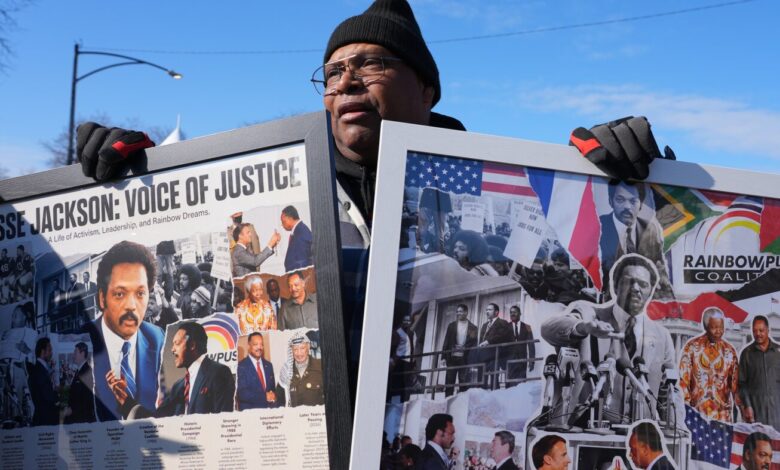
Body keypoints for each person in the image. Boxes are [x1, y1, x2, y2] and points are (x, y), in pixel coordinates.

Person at [75, 0, 666, 401]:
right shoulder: (282, 191)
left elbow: (598, 276)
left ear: (427, 88)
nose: (346, 82)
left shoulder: (499, 194)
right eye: (332, 73)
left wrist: (627, 180)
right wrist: (139, 182)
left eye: (371, 64)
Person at [541, 254, 679, 424]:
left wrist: (674, 432)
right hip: (585, 434)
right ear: (615, 285)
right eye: (629, 281)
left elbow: (670, 392)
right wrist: (585, 327)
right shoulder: (589, 314)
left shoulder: (662, 336)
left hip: (639, 439)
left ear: (650, 290)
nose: (636, 288)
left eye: (643, 284)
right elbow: (548, 329)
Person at [82, 240, 164, 421]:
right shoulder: (79, 343)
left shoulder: (157, 339)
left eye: (140, 293)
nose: (131, 306)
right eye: (120, 294)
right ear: (102, 298)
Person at [109, 321, 235, 417]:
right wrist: (125, 400)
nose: (172, 349)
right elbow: (156, 420)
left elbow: (223, 421)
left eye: (177, 343)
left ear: (192, 345)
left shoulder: (219, 373)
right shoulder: (179, 386)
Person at [599, 181, 664, 296]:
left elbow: (659, 269)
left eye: (633, 201)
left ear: (641, 204)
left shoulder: (650, 230)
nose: (627, 206)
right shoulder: (597, 227)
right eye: (620, 200)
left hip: (641, 298)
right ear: (611, 201)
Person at [679, 307, 741, 421]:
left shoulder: (730, 351)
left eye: (721, 327)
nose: (719, 331)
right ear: (706, 327)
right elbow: (683, 380)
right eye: (714, 327)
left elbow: (735, 386)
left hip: (722, 416)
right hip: (697, 414)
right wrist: (687, 406)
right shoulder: (691, 347)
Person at [738, 315, 780, 429]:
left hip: (777, 414)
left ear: (768, 330)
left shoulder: (778, 352)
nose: (758, 334)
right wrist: (747, 406)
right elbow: (741, 384)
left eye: (761, 330)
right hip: (756, 414)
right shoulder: (746, 354)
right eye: (755, 331)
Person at [471, 303, 513, 388]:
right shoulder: (484, 325)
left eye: (490, 310)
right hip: (483, 357)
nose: (487, 311)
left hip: (495, 356)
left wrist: (488, 341)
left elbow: (502, 336)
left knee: (494, 380)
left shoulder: (502, 323)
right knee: (481, 380)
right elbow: (481, 340)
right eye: (486, 310)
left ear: (496, 312)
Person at [441, 303, 478, 396]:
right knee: (449, 383)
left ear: (466, 312)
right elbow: (446, 341)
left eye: (460, 311)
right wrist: (443, 357)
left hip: (464, 360)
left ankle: (461, 404)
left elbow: (473, 344)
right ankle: (447, 401)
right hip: (452, 358)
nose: (458, 313)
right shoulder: (451, 326)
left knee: (463, 384)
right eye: (457, 312)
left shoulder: (473, 328)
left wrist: (470, 357)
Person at [236, 332, 279, 410]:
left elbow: (272, 390)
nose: (259, 347)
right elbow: (241, 394)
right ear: (249, 346)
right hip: (250, 415)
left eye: (261, 344)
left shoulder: (269, 365)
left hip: (268, 416)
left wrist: (274, 396)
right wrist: (264, 396)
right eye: (256, 344)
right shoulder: (241, 366)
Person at [281, 334, 324, 407]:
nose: (299, 353)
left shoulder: (321, 366)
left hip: (315, 417)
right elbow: (280, 401)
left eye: (302, 348)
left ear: (308, 347)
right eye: (295, 349)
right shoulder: (285, 371)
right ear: (291, 351)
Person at [29, 337, 59, 426]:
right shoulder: (39, 371)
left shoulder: (40, 369)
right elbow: (48, 397)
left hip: (43, 418)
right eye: (49, 350)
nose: (51, 353)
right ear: (43, 352)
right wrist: (60, 394)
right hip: (44, 420)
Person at [64, 342, 96, 424]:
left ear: (82, 353)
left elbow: (87, 399)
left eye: (75, 352)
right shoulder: (80, 370)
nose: (73, 355)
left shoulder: (87, 371)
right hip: (78, 417)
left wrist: (72, 410)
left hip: (82, 419)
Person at [507, 305, 535, 382]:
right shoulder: (505, 327)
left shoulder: (527, 327)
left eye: (515, 312)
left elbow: (531, 344)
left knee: (522, 383)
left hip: (522, 360)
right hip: (509, 360)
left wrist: (531, 361)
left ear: (520, 313)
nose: (512, 314)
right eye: (511, 312)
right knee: (509, 384)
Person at [281, 205, 313, 272]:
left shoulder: (300, 233)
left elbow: (302, 263)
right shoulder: (299, 230)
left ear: (290, 218)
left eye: (283, 222)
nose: (282, 225)